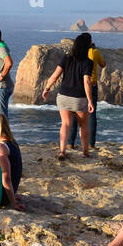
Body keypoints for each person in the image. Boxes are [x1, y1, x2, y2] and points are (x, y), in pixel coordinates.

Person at [40, 32, 95, 160]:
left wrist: (47, 88)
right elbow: (86, 82)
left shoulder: (66, 58)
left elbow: (54, 75)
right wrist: (90, 101)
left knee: (65, 124)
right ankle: (85, 152)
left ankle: (62, 151)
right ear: (87, 46)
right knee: (83, 126)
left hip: (63, 96)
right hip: (79, 99)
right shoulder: (88, 62)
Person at [68, 37, 107, 150]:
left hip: (79, 86)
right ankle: (91, 144)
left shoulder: (79, 53)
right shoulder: (95, 52)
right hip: (92, 85)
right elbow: (103, 64)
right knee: (92, 115)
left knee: (75, 114)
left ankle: (70, 143)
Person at [0, 113, 24, 210]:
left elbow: (6, 178)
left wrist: (13, 203)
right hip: (10, 190)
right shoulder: (12, 142)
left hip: (1, 196)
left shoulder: (1, 147)